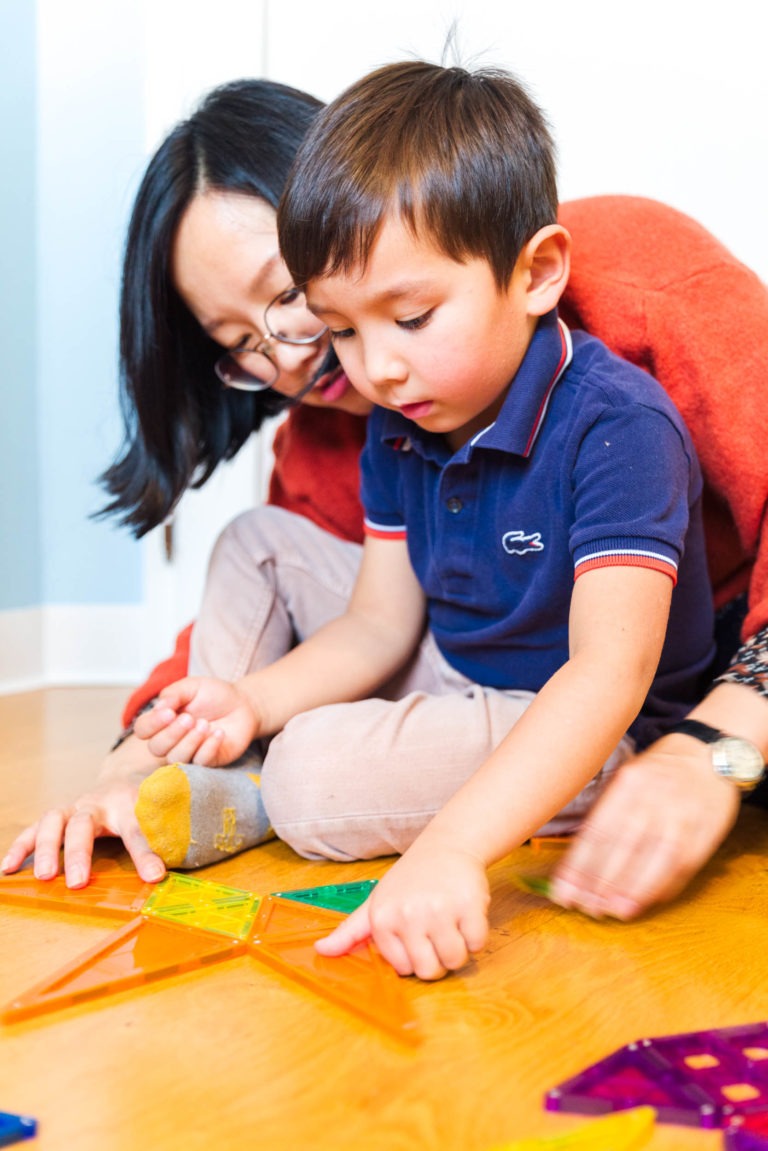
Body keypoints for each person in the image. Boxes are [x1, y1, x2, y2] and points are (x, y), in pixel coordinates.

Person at [3, 76, 767, 933]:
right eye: (241, 345)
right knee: (255, 543)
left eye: (291, 300)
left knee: (308, 774)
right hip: (464, 657)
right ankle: (227, 773)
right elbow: (374, 623)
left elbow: (606, 675)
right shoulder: (386, 411)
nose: (307, 366)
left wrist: (719, 753)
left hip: (619, 713)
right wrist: (163, 748)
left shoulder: (619, 395)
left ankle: (263, 786)